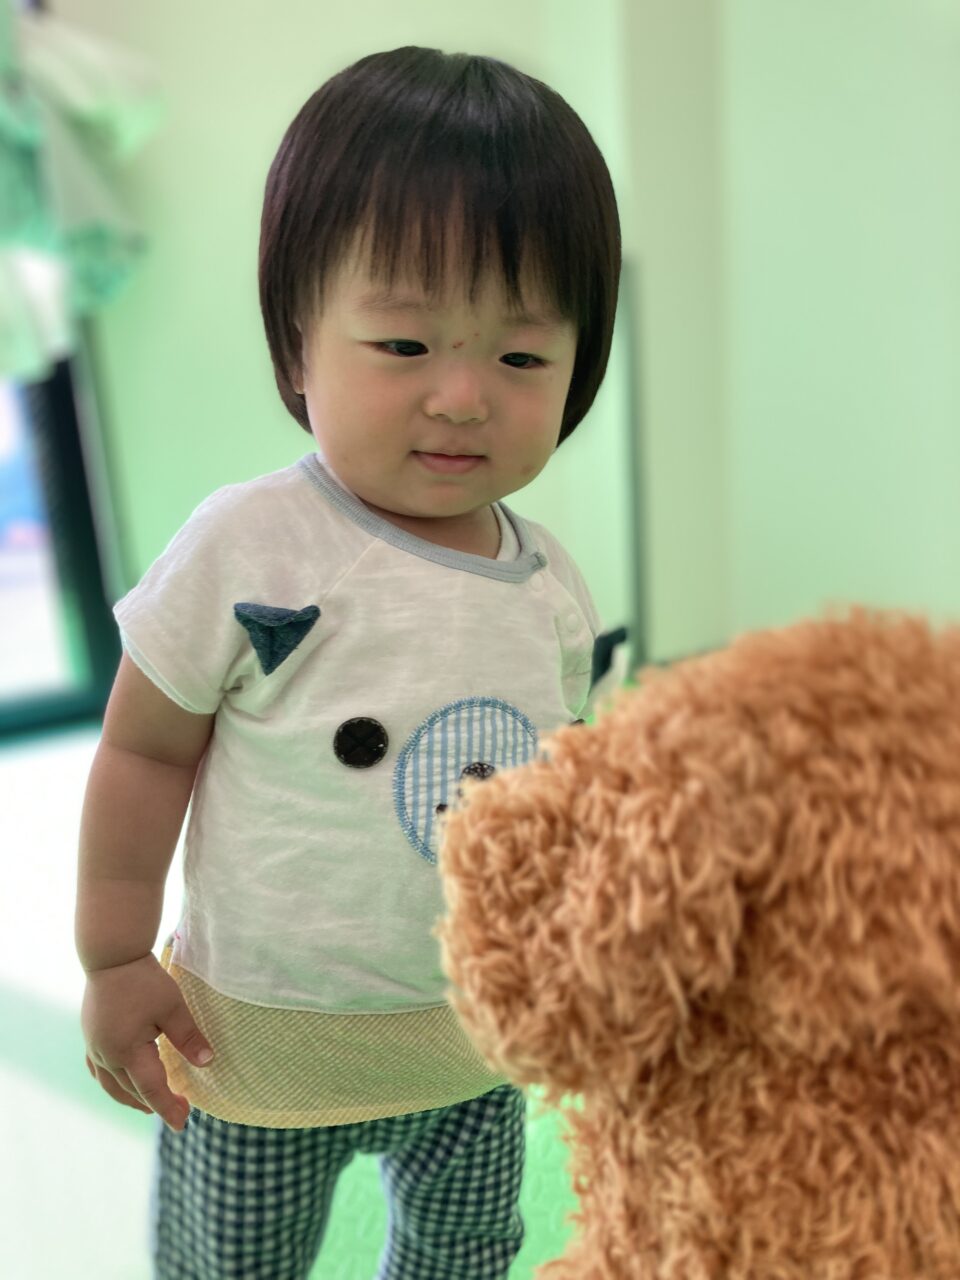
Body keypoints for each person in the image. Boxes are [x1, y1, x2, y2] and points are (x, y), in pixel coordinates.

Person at [75, 43, 621, 1280]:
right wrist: (113, 953)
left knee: (465, 1251)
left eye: (521, 357)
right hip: (253, 1051)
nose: (464, 396)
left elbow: (554, 808)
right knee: (234, 1261)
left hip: (470, 1042)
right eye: (404, 344)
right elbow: (144, 750)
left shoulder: (550, 586)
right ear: (298, 340)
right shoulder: (249, 543)